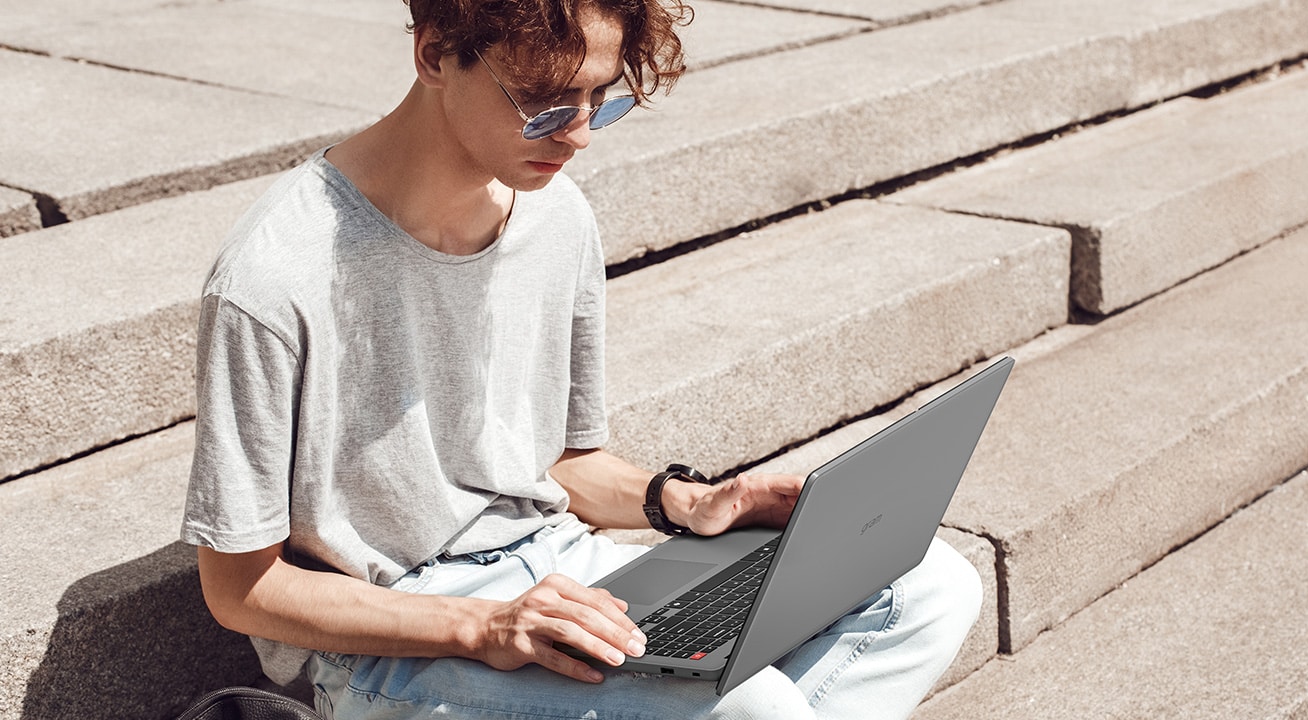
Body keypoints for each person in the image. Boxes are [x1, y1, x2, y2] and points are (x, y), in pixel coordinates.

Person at [180, 0, 982, 718]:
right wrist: (481, 624)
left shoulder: (553, 215)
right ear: (433, 54)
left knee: (930, 586)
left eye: (603, 96)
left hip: (558, 570)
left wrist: (688, 502)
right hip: (396, 639)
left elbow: (559, 461)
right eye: (541, 102)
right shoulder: (275, 277)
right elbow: (241, 589)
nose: (577, 133)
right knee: (753, 708)